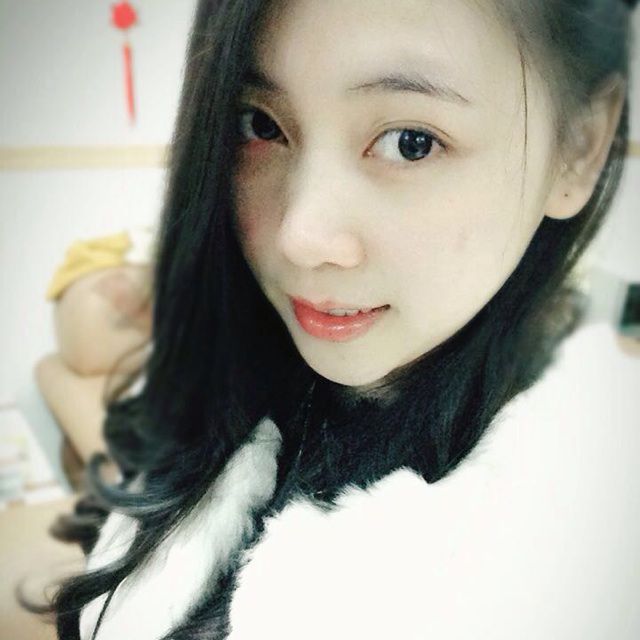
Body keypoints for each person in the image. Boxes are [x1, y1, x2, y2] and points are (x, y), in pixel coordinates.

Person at [31, 0, 639, 638]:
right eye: (261, 125)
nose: (301, 237)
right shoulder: (225, 381)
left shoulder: (583, 555)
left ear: (579, 146)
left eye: (411, 142)